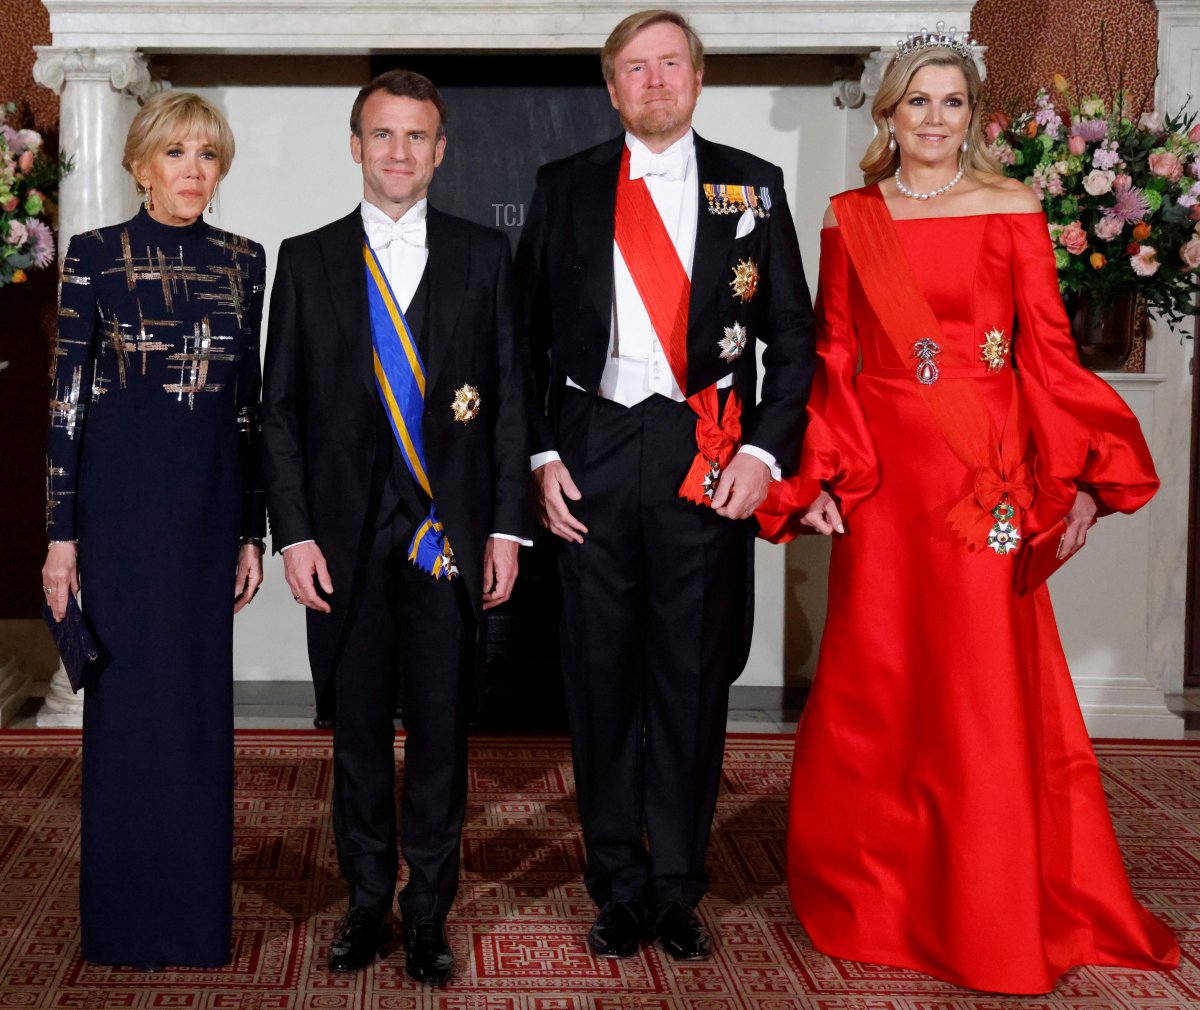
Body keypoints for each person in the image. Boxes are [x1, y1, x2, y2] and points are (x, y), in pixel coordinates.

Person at [755, 26, 1181, 994]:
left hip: (980, 470)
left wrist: (1068, 478)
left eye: (952, 102)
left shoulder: (1011, 203)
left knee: (978, 679)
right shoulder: (847, 214)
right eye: (918, 102)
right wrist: (820, 474)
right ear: (889, 113)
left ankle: (988, 898)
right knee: (880, 677)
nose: (935, 120)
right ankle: (878, 895)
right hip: (886, 479)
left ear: (973, 116)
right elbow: (831, 356)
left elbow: (1049, 355)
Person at [515, 9, 814, 962]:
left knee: (689, 675)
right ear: (611, 88)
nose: (653, 82)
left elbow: (794, 341)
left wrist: (764, 458)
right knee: (600, 677)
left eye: (670, 64)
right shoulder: (564, 187)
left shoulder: (752, 187)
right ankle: (617, 880)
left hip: (708, 445)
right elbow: (519, 340)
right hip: (593, 444)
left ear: (697, 77)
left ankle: (678, 884)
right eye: (634, 69)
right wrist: (539, 455)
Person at [260, 69, 532, 987]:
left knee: (444, 733)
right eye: (383, 135)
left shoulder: (484, 256)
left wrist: (505, 530)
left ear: (441, 149)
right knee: (359, 732)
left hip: (447, 539)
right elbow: (282, 413)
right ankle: (368, 898)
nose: (400, 153)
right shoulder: (306, 259)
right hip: (341, 543)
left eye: (417, 137)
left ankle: (429, 912)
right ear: (355, 145)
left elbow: (508, 408)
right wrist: (292, 535)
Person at [40, 91, 265, 970]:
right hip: (120, 515)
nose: (193, 172)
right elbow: (64, 407)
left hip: (208, 512)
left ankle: (193, 922)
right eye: (176, 154)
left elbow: (245, 410)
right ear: (140, 165)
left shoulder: (245, 261)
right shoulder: (94, 258)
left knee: (199, 715)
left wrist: (253, 529)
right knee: (129, 714)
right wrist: (62, 538)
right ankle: (126, 922)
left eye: (208, 154)